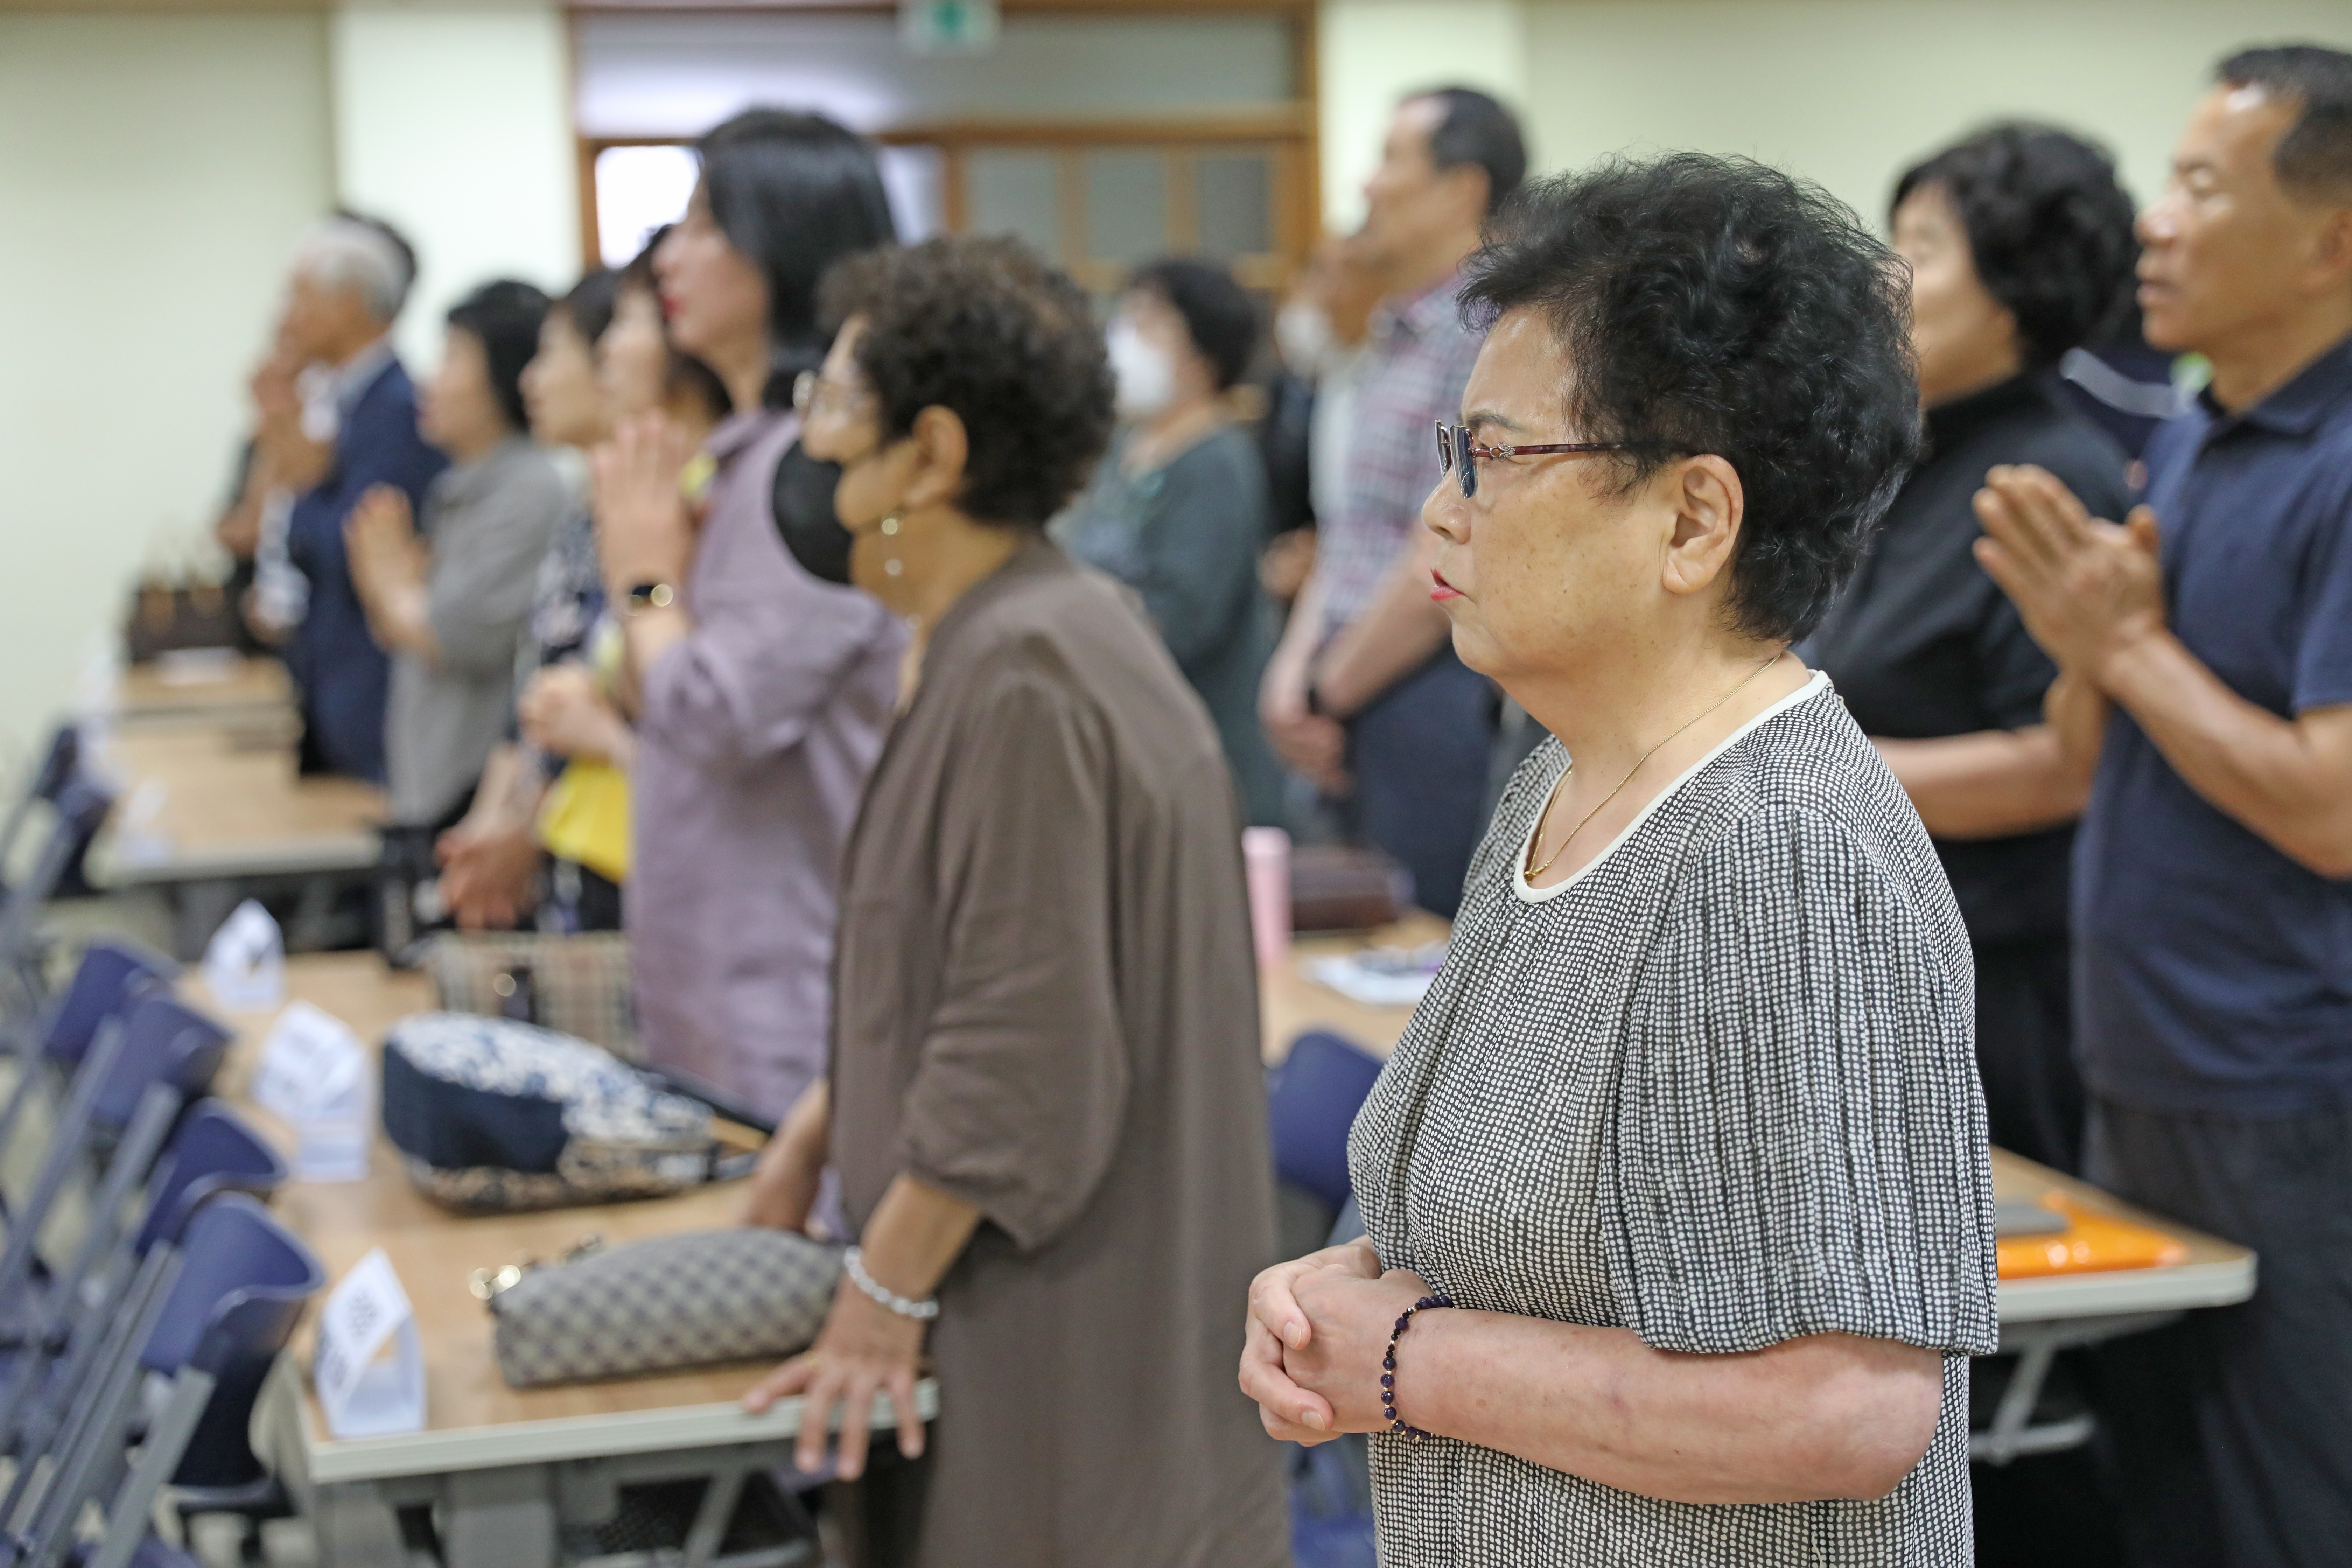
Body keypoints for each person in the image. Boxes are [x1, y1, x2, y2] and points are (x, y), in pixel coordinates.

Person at [1241, 155, 1997, 1565]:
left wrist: (1401, 1356)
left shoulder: (1780, 857)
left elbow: (1843, 1410)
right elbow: (1529, 1238)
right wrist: (1334, 1291)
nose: (1442, 516)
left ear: (1694, 519)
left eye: (1496, 457)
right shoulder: (1560, 780)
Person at [739, 234, 1287, 1568]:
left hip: (1061, 1341)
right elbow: (967, 954)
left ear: (929, 454)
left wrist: (876, 1293)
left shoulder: (1029, 671)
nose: (809, 448)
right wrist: (826, 1119)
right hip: (1026, 1300)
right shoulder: (1012, 628)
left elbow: (1023, 1055)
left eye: (832, 415)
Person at [1974, 44, 2352, 1568]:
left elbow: (2334, 808)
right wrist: (2097, 653)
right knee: (2163, 1503)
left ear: (2333, 235)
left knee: (2288, 1503)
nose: (2159, 224)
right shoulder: (2197, 433)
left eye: (2204, 186)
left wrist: (2125, 646)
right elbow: (2095, 738)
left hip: (2286, 1082)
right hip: (2141, 1055)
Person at [1807, 123, 2139, 1177]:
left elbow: (2062, 766)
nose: (1887, 279)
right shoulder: (1898, 454)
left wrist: (1805, 778)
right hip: (1863, 945)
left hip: (1986, 979)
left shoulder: (2051, 478)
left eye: (1925, 247)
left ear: (2014, 290)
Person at [592, 108, 904, 1123]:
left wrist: (645, 584)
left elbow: (723, 714)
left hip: (786, 981)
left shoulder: (813, 472)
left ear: (786, 241)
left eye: (702, 226)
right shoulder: (749, 450)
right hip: (713, 962)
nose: (668, 259)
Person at [1260, 87, 1526, 916]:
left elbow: (1446, 544)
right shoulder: (1392, 333)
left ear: (1462, 189)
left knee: (1419, 954)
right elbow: (1351, 530)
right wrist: (1293, 677)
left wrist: (1325, 693)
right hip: (1346, 693)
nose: (1368, 186)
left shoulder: (1492, 332)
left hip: (1427, 685)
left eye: (1390, 160)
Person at [1060, 257, 1284, 825]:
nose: (1126, 337)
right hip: (1121, 733)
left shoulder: (1217, 461)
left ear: (1202, 356)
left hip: (1199, 744)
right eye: (1127, 316)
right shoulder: (1123, 450)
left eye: (1151, 322)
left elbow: (1182, 619)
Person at [348, 280, 568, 831]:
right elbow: (406, 628)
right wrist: (396, 596)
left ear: (503, 372)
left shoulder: (528, 489)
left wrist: (391, 585)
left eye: (451, 359)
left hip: (474, 791)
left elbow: (455, 635)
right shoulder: (460, 487)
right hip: (429, 779)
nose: (431, 381)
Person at [277, 214, 447, 780]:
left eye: (301, 296)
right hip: (338, 693)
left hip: (374, 698)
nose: (288, 316)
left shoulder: (395, 409)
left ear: (349, 304)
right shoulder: (344, 405)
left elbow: (344, 548)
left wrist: (307, 486)